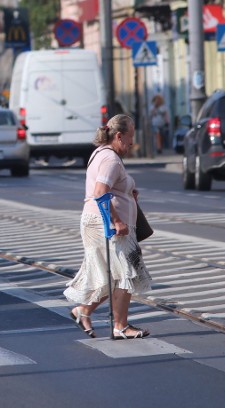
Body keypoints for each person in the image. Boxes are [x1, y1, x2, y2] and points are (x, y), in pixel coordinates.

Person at [64, 114, 153, 339]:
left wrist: (128, 196)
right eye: (130, 137)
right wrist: (117, 220)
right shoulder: (110, 159)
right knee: (126, 272)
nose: (132, 143)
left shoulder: (100, 153)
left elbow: (108, 190)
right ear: (119, 135)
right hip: (104, 224)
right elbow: (100, 192)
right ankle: (120, 326)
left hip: (96, 221)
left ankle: (84, 311)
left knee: (112, 275)